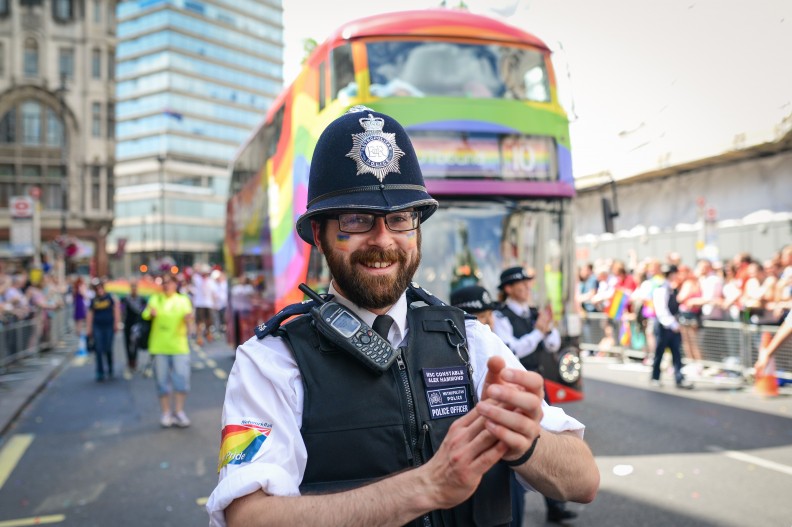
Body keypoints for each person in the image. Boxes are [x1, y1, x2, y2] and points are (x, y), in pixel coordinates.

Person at [207, 108, 599, 526]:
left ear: (418, 230)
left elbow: (583, 481)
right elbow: (248, 517)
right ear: (319, 236)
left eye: (399, 219)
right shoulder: (270, 361)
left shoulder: (469, 340)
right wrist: (426, 486)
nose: (383, 240)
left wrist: (526, 440)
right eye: (356, 220)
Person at [491, 266, 575, 524]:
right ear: (508, 288)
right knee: (519, 449)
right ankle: (515, 517)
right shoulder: (500, 316)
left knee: (549, 440)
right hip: (514, 387)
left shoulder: (534, 313)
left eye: (529, 282)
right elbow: (511, 350)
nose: (527, 287)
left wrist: (545, 330)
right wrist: (538, 331)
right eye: (521, 283)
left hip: (538, 386)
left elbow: (553, 345)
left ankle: (556, 504)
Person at [142, 273, 195, 428]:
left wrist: (189, 320)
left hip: (179, 346)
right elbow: (145, 313)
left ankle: (178, 412)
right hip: (159, 347)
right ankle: (166, 413)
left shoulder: (183, 300)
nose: (167, 285)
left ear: (175, 285)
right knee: (161, 382)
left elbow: (189, 317)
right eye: (164, 283)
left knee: (181, 381)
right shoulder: (155, 299)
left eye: (170, 283)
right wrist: (150, 313)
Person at [650, 265, 693, 389]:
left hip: (672, 325)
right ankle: (655, 377)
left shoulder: (671, 288)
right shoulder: (661, 289)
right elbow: (661, 310)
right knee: (659, 353)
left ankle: (679, 377)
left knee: (677, 353)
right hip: (665, 326)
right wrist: (673, 324)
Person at [85, 278, 120, 382]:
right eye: (97, 288)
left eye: (100, 288)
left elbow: (116, 310)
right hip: (98, 326)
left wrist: (116, 323)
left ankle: (110, 368)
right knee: (99, 349)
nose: (99, 290)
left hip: (109, 326)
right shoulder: (93, 300)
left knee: (108, 348)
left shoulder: (110, 297)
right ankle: (100, 371)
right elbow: (90, 315)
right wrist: (89, 329)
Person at [121, 278, 146, 374]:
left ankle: (134, 361)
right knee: (127, 343)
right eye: (132, 287)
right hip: (128, 324)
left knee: (135, 343)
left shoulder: (141, 298)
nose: (134, 289)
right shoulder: (125, 298)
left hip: (137, 324)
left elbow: (144, 309)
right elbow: (122, 310)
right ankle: (129, 361)